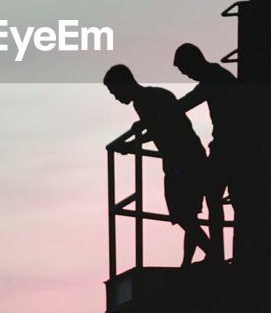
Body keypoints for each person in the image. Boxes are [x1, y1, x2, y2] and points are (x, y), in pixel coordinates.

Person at [103, 64, 215, 266]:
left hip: (183, 161)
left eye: (115, 92)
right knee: (189, 216)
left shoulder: (149, 99)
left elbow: (162, 127)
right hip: (186, 159)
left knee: (183, 215)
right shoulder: (149, 99)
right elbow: (158, 126)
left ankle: (213, 254)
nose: (116, 98)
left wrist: (134, 141)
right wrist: (140, 130)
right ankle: (189, 263)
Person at [173, 43, 241, 256]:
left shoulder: (214, 78)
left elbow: (188, 102)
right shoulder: (215, 76)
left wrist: (158, 113)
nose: (187, 75)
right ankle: (218, 254)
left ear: (194, 62)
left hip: (231, 146)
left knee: (219, 197)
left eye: (186, 70)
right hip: (226, 145)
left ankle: (219, 255)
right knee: (216, 197)